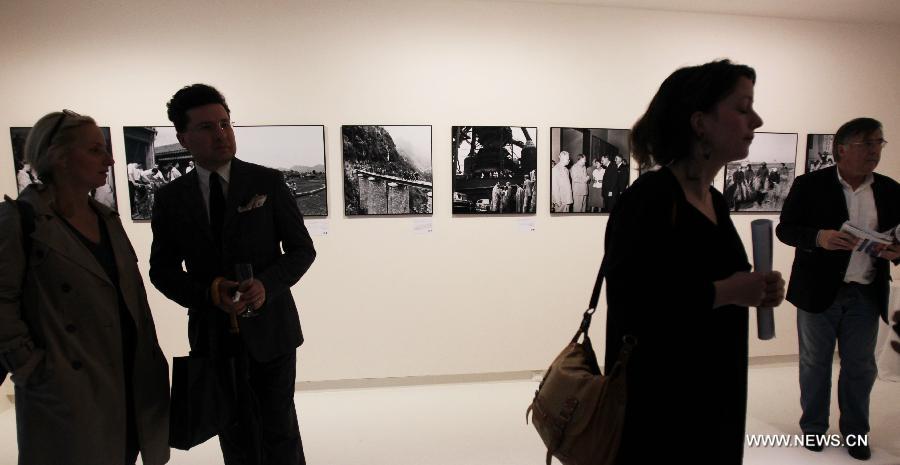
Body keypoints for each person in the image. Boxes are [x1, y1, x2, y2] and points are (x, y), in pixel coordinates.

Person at [603, 59, 784, 464]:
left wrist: (756, 290)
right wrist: (727, 291)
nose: (756, 119)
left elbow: (711, 282)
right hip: (664, 403)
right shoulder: (649, 199)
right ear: (699, 122)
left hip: (715, 390)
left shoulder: (715, 200)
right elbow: (632, 302)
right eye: (742, 107)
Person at [149, 84, 316, 465]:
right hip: (214, 335)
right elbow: (162, 270)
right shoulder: (171, 199)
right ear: (183, 137)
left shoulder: (266, 183)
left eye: (225, 124)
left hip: (272, 330)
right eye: (207, 127)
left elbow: (302, 250)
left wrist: (266, 285)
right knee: (234, 432)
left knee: (280, 428)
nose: (221, 134)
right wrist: (209, 291)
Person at [0, 110, 170, 465]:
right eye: (95, 150)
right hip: (67, 391)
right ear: (59, 157)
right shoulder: (20, 220)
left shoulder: (107, 220)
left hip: (127, 385)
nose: (109, 159)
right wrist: (31, 366)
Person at [776, 117, 900, 461]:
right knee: (815, 363)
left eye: (879, 143)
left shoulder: (891, 189)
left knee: (861, 366)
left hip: (865, 291)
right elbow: (785, 230)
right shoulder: (810, 185)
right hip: (818, 291)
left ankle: (856, 433)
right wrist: (820, 237)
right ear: (841, 149)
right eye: (866, 144)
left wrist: (897, 250)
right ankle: (814, 428)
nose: (874, 151)